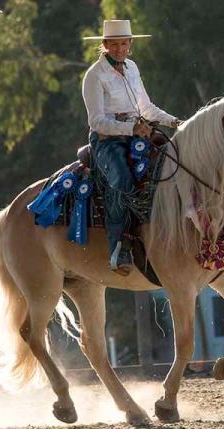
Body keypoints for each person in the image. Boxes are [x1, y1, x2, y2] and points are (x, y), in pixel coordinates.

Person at [82, 19, 180, 276]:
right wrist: (130, 129)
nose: (120, 49)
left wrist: (174, 122)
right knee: (122, 180)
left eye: (124, 43)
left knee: (167, 166)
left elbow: (146, 107)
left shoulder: (132, 68)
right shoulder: (94, 76)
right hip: (106, 140)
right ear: (104, 45)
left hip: (138, 133)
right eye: (114, 44)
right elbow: (97, 122)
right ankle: (119, 248)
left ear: (130, 44)